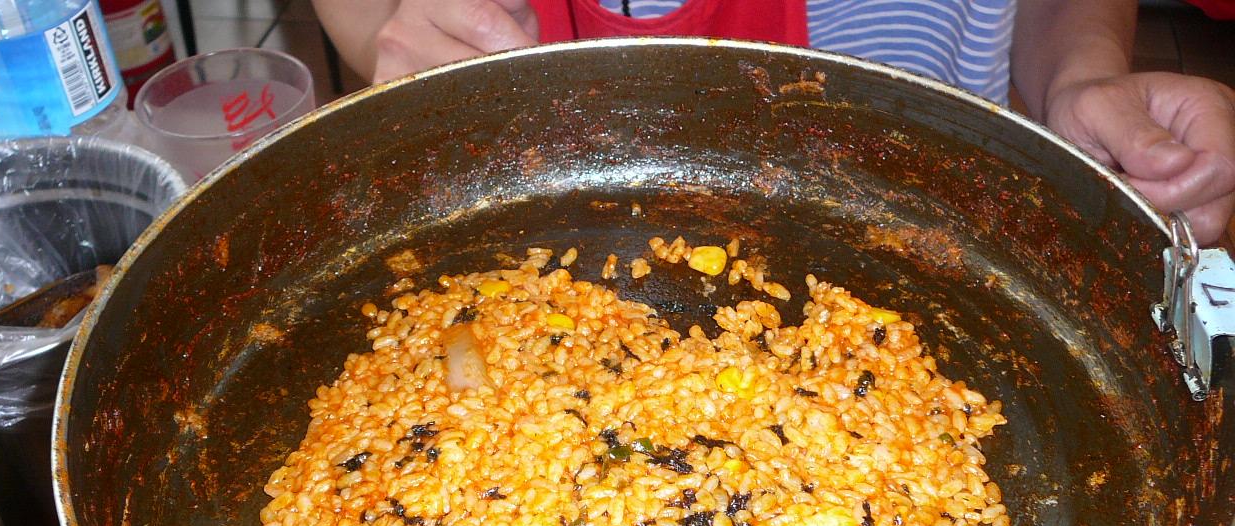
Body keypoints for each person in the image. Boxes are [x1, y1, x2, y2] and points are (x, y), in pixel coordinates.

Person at [311, 0, 1235, 244]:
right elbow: (368, 17)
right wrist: (395, 22)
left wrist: (1083, 73)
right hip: (524, 216)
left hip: (934, 208)